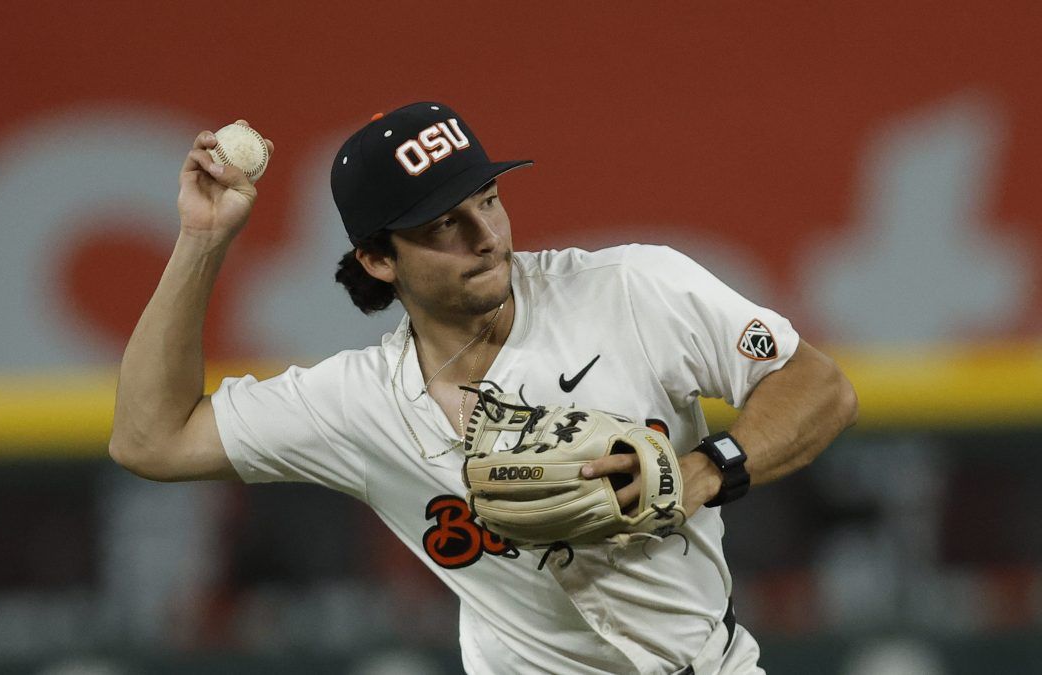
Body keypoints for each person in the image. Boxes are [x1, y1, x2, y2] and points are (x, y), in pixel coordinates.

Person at [109, 101, 859, 674]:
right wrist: (202, 243)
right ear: (377, 258)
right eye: (443, 223)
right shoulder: (361, 403)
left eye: (488, 199)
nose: (486, 234)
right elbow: (151, 437)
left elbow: (817, 384)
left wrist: (702, 471)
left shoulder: (629, 288)